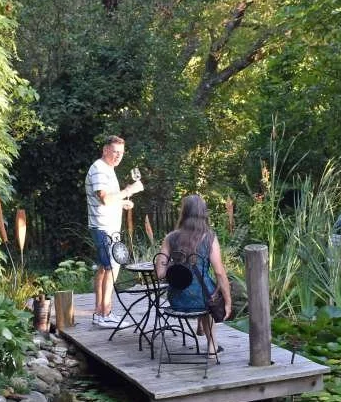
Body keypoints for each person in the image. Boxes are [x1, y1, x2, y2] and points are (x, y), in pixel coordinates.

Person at [155, 194, 232, 355]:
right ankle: (212, 347)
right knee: (209, 294)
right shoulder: (209, 237)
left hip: (177, 300)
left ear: (183, 213)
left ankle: (201, 327)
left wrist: (174, 264)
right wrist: (228, 301)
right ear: (203, 213)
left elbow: (160, 274)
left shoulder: (170, 238)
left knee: (199, 291)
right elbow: (219, 272)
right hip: (203, 301)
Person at [86, 135, 144, 326]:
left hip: (108, 227)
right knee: (109, 269)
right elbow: (104, 198)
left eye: (121, 153)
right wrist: (129, 190)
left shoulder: (108, 169)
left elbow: (109, 199)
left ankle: (100, 313)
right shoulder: (99, 168)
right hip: (103, 227)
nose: (118, 156)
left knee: (105, 268)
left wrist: (122, 203)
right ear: (105, 150)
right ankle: (104, 314)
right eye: (115, 152)